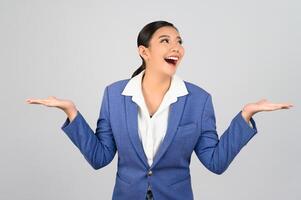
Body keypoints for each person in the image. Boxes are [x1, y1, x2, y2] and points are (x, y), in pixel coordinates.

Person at [26, 20, 293, 200]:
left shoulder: (199, 100)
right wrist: (71, 113)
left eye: (178, 41)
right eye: (165, 41)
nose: (176, 47)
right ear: (144, 51)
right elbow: (100, 157)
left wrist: (246, 115)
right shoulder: (114, 95)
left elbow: (215, 162)